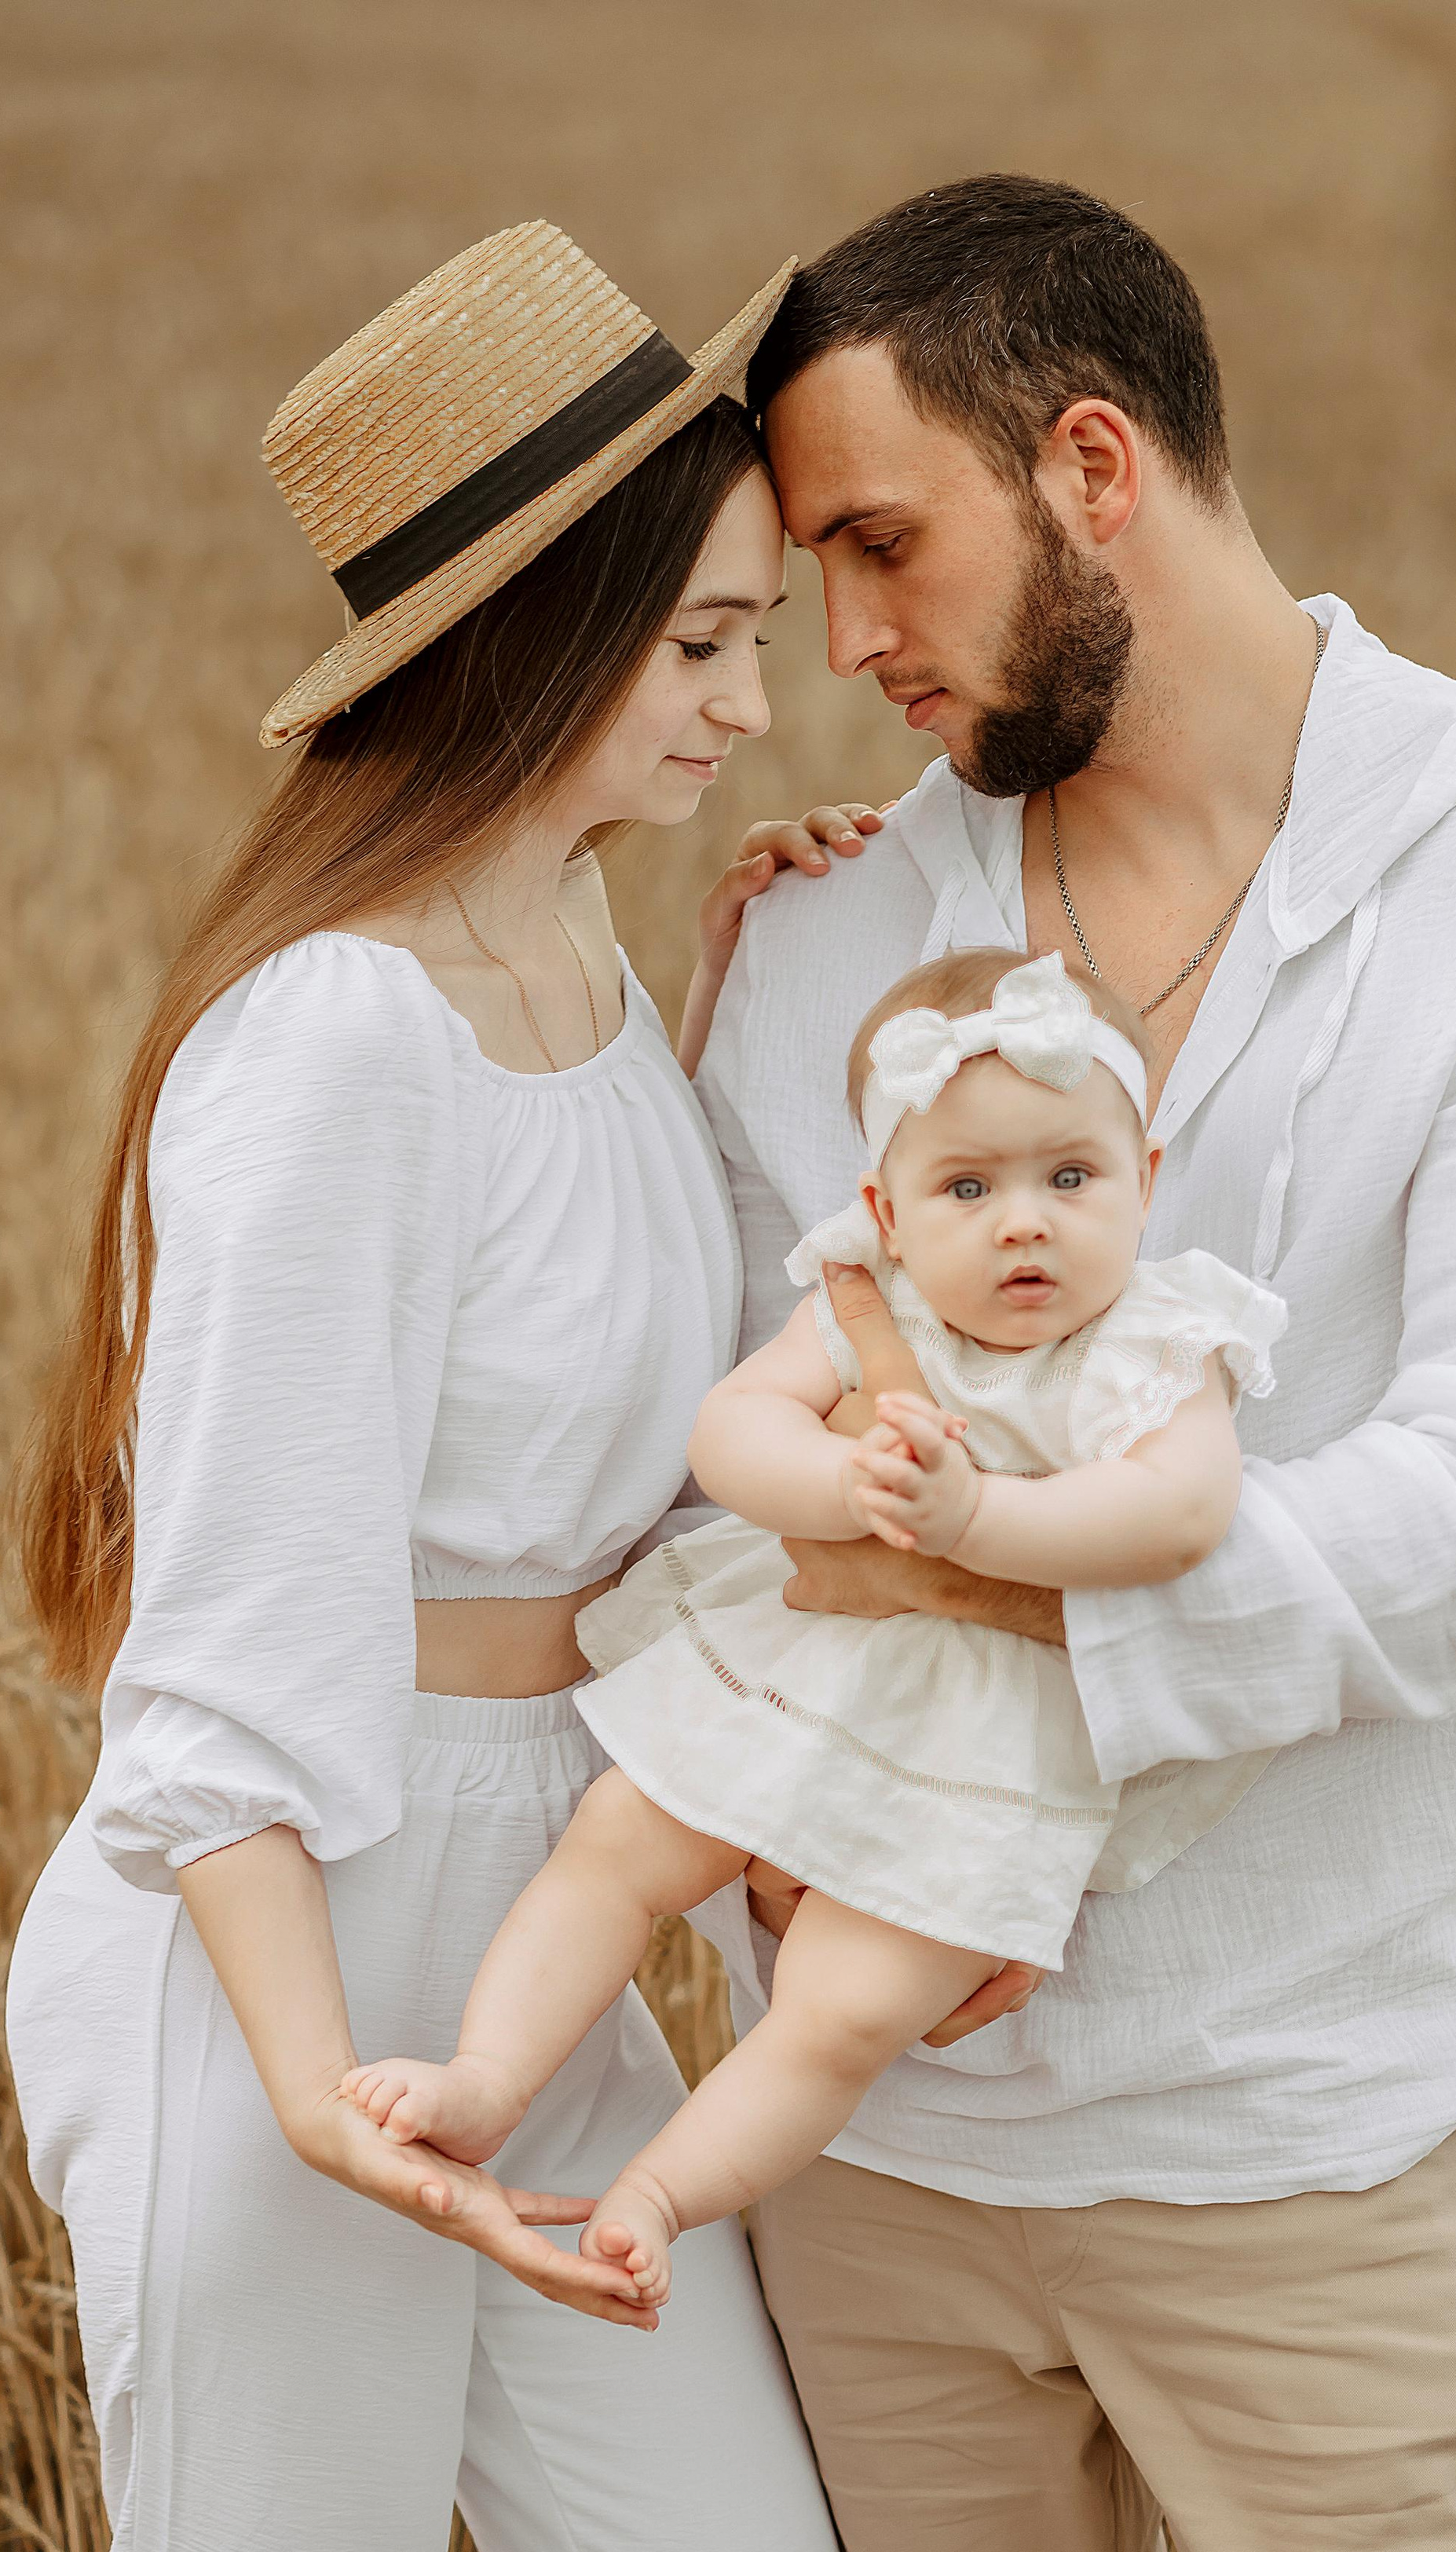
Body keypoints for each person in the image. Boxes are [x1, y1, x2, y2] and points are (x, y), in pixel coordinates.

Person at [690, 176, 1456, 2552]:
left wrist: (978, 1654)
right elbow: (734, 1443)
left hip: (1322, 2099)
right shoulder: (833, 924)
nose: (845, 645)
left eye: (881, 547)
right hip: (883, 2128)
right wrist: (808, 1837)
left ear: (1094, 462)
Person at [3, 223, 864, 2552]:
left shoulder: (587, 963)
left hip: (536, 1948)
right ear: (539, 631)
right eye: (704, 643)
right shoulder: (334, 1043)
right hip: (290, 1955)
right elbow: (225, 1635)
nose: (752, 708)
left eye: (756, 640)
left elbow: (674, 1413)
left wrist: (761, 1001)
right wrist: (303, 2085)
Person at [345, 946, 1282, 2308]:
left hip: (993, 1737)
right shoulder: (868, 1298)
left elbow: (1183, 1512)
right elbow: (732, 1431)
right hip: (811, 1659)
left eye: (1071, 1178)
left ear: (1144, 1176)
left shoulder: (1156, 1339)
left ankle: (661, 2195)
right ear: (885, 1212)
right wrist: (843, 1485)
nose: (1024, 1225)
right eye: (968, 1189)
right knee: (616, 1842)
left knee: (845, 2007)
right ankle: (487, 2077)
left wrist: (973, 1519)